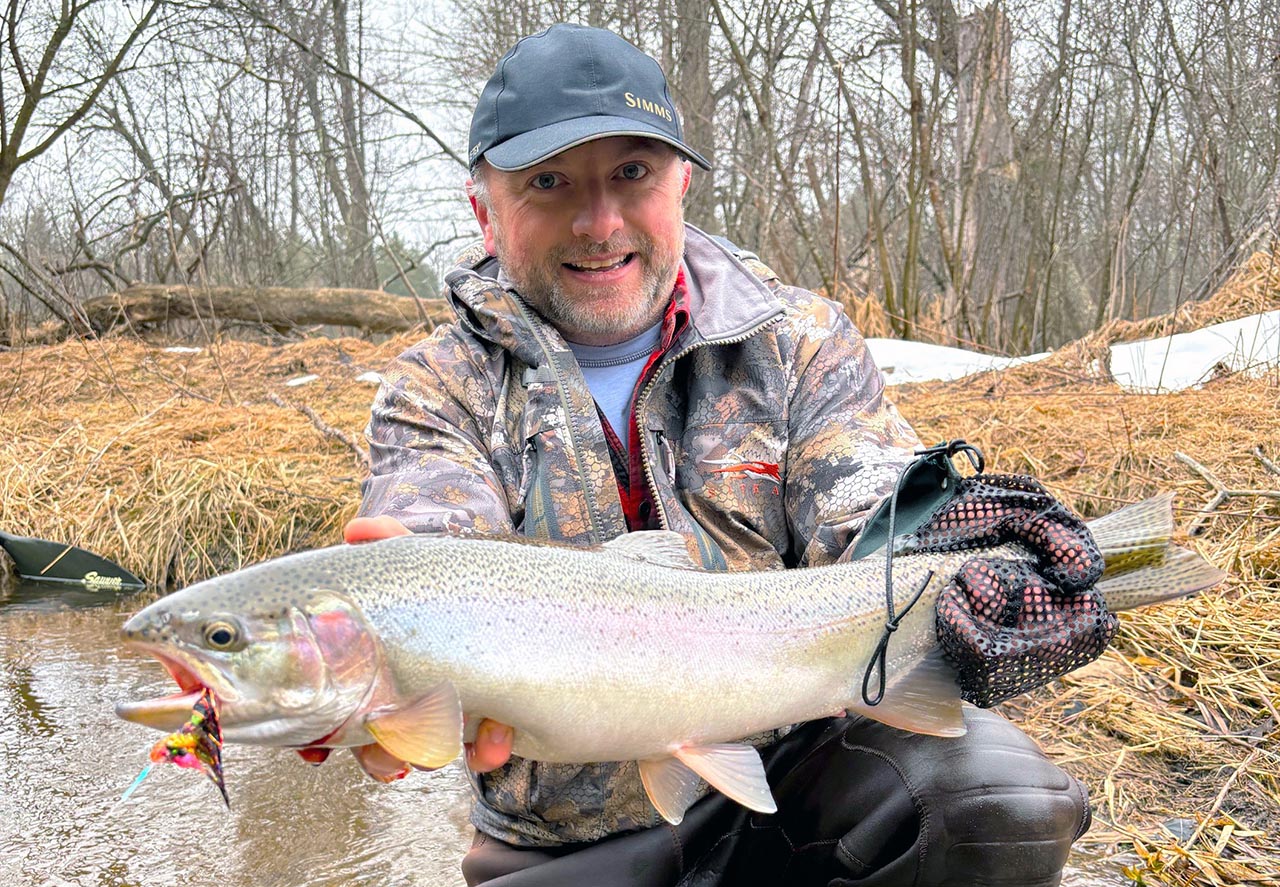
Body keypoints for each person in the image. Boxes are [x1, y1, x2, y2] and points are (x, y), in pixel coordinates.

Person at [348, 23, 1092, 887]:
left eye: (632, 173)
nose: (599, 222)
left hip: (801, 774)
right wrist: (383, 659)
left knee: (999, 799)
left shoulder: (796, 341)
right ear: (485, 208)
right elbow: (434, 542)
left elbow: (871, 519)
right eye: (548, 183)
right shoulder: (434, 389)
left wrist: (959, 546)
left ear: (682, 183)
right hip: (564, 841)